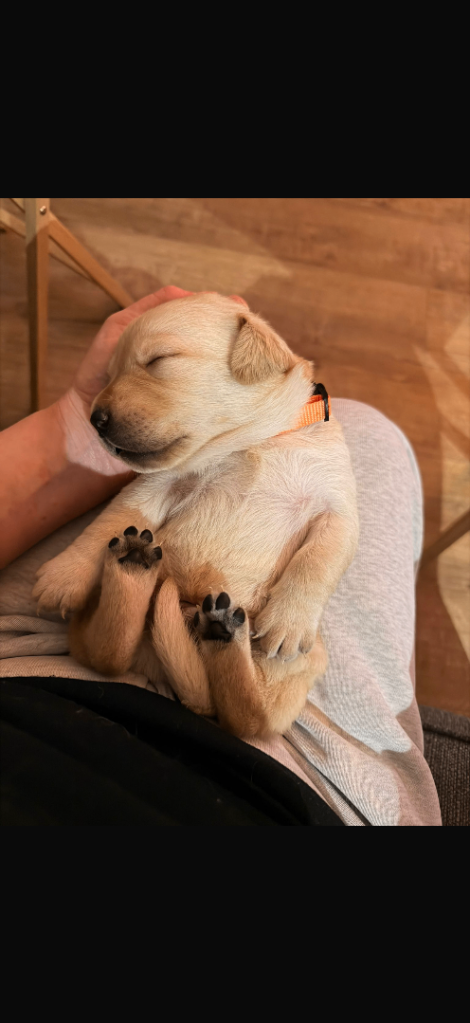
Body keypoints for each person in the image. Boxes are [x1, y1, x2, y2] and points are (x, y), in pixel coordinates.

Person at [0, 289, 442, 825]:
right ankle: (182, 632)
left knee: (284, 676)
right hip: (247, 762)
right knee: (379, 435)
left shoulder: (318, 443)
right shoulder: (209, 443)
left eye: (156, 363)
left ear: (254, 353)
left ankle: (175, 627)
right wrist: (79, 562)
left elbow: (336, 526)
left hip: (57, 697)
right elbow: (140, 502)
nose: (106, 404)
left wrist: (301, 596)